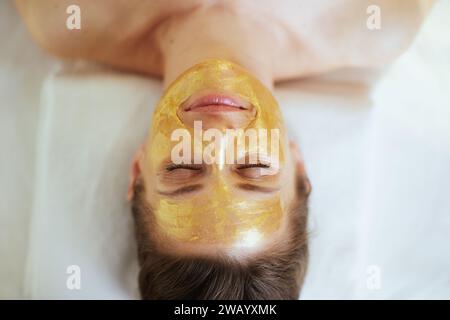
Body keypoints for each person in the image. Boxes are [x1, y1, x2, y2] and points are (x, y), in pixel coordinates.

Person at [15, 0, 432, 299]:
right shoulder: (377, 18)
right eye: (253, 165)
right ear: (298, 166)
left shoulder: (66, 15)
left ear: (138, 170)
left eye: (182, 167)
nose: (217, 138)